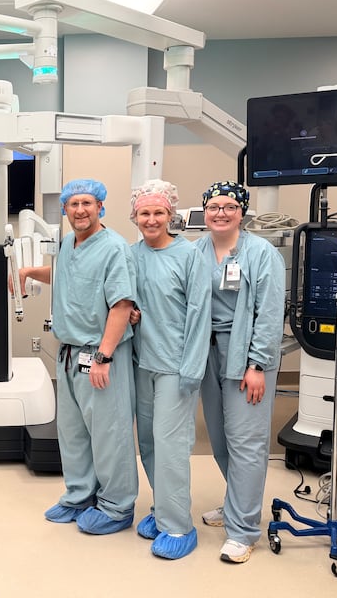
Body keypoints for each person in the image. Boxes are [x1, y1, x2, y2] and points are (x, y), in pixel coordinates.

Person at [17, 179, 139, 535]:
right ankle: (80, 495)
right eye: (73, 204)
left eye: (87, 203)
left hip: (100, 355)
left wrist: (103, 356)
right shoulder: (67, 243)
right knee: (73, 433)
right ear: (65, 210)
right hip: (69, 353)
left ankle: (117, 506)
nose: (80, 210)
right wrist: (27, 272)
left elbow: (122, 305)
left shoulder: (114, 248)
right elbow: (64, 275)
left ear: (100, 207)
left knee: (108, 433)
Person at [194, 180, 285, 564]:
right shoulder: (195, 250)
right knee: (219, 437)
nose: (220, 213)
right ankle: (236, 503)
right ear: (205, 211)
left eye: (229, 206)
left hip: (245, 354)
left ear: (241, 212)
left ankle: (244, 529)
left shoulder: (261, 253)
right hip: (206, 352)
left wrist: (258, 365)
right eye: (213, 206)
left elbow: (269, 312)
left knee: (246, 442)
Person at [128, 179, 211, 559]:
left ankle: (179, 527)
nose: (151, 219)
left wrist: (192, 368)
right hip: (141, 362)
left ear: (170, 215)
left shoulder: (189, 255)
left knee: (171, 444)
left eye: (158, 212)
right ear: (135, 217)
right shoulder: (132, 255)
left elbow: (199, 314)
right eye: (144, 213)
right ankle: (162, 509)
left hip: (176, 365)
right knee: (147, 441)